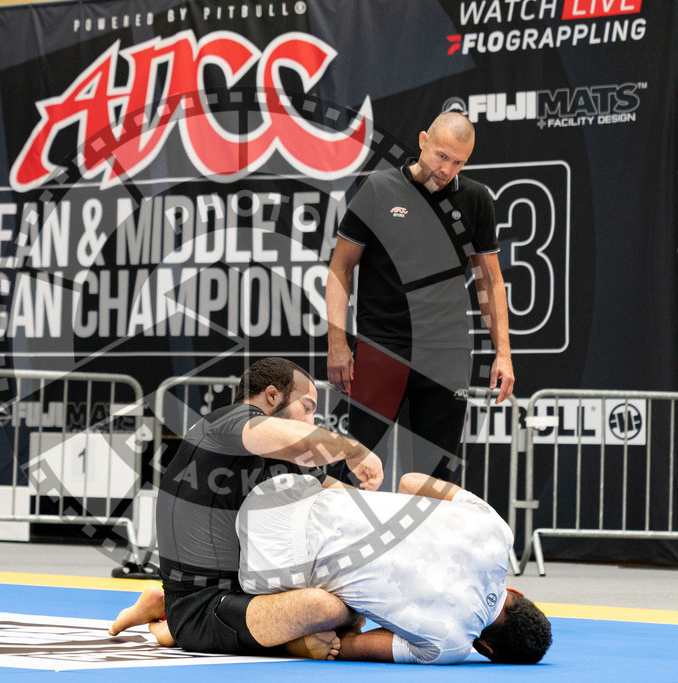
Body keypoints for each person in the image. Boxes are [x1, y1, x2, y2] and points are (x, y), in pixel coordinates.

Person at [110, 471, 551, 665]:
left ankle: (169, 602)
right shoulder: (451, 647)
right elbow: (348, 647)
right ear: (487, 650)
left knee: (338, 599)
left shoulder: (497, 531)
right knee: (336, 615)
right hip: (268, 565)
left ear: (517, 595)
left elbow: (410, 483)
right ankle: (176, 621)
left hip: (286, 492)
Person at [145, 357, 385, 658]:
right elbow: (302, 443)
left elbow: (346, 498)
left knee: (344, 593)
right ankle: (171, 619)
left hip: (245, 591)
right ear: (272, 396)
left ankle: (161, 607)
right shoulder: (227, 422)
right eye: (307, 408)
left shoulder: (277, 454)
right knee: (324, 607)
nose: (311, 422)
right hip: (201, 608)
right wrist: (353, 449)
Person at [325, 111, 514, 483]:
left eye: (458, 162)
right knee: (356, 468)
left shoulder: (475, 200)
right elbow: (339, 269)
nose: (446, 169)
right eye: (442, 156)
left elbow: (490, 282)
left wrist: (503, 354)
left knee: (437, 479)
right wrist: (337, 342)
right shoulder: (380, 189)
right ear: (423, 140)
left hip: (446, 353)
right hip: (383, 347)